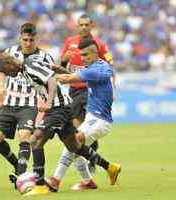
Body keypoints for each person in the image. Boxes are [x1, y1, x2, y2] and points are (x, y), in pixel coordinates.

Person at [0, 40, 121, 196]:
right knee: (74, 146)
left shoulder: (29, 66)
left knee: (35, 140)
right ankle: (110, 167)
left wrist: (48, 103)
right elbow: (52, 68)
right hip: (64, 107)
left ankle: (40, 185)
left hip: (58, 108)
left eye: (7, 72)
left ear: (9, 64)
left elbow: (51, 80)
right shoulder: (30, 62)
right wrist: (64, 71)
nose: (9, 75)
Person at [50, 13, 114, 190]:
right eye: (81, 24)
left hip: (96, 111)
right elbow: (66, 68)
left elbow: (69, 77)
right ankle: (89, 179)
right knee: (74, 141)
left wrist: (50, 75)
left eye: (85, 55)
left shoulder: (96, 60)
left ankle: (55, 180)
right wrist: (61, 64)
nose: (82, 58)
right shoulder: (76, 48)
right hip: (81, 97)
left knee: (75, 140)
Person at [0, 22, 55, 189]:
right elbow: (0, 66)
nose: (27, 43)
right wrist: (1, 84)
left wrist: (48, 100)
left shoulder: (45, 57)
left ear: (36, 39)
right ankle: (18, 166)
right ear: (20, 37)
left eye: (31, 40)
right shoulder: (11, 52)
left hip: (28, 104)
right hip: (9, 103)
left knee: (24, 135)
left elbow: (52, 79)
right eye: (24, 39)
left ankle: (21, 176)